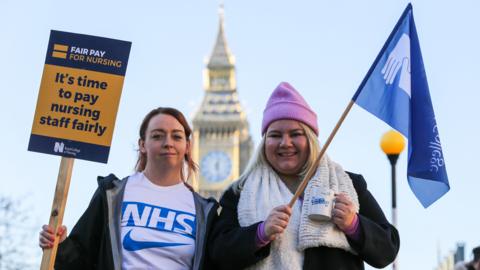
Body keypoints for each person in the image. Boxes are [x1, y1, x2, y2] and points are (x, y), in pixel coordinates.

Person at [208, 82, 400, 270]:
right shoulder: (239, 193)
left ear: (310, 140)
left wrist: (354, 224)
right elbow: (217, 255)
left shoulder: (351, 184)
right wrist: (260, 233)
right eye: (275, 135)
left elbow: (387, 250)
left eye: (295, 134)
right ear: (264, 143)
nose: (285, 143)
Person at [39, 107, 218, 270]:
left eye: (177, 136)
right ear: (142, 145)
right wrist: (60, 245)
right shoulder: (112, 194)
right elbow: (80, 261)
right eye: (157, 136)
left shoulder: (204, 211)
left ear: (187, 146)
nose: (168, 143)